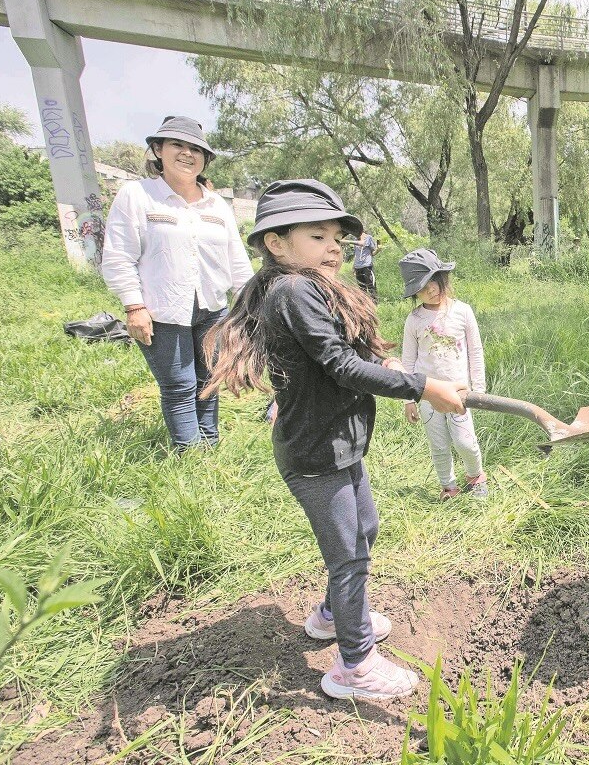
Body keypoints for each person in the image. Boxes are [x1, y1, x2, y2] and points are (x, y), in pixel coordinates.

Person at [202, 180, 468, 700]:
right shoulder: (294, 290)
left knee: (364, 529)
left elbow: (344, 352)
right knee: (348, 555)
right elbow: (339, 366)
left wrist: (387, 364)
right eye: (318, 236)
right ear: (276, 245)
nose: (333, 248)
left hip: (336, 444)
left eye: (337, 240)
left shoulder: (309, 289)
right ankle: (355, 665)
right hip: (314, 453)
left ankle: (330, 615)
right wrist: (421, 385)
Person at [101, 116, 253, 451]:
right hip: (162, 310)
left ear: (204, 158)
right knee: (179, 385)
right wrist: (134, 306)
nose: (187, 154)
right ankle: (189, 454)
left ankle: (209, 446)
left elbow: (236, 260)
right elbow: (118, 256)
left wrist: (249, 310)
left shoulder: (217, 205)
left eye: (196, 149)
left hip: (214, 310)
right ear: (158, 150)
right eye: (177, 145)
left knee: (209, 380)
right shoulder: (138, 195)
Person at [399, 249, 489, 499]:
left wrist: (478, 390)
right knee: (438, 444)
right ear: (414, 291)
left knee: (464, 441)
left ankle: (476, 476)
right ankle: (448, 486)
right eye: (422, 286)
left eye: (434, 282)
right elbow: (408, 360)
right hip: (427, 393)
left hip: (460, 393)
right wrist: (409, 398)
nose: (431, 290)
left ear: (442, 278)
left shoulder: (462, 311)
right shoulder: (414, 320)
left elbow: (476, 351)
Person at [349, 231, 379, 300]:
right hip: (358, 267)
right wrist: (353, 267)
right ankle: (365, 304)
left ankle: (374, 304)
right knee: (362, 288)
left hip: (367, 266)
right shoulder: (355, 240)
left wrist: (378, 250)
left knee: (371, 286)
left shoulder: (369, 238)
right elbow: (357, 255)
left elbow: (373, 253)